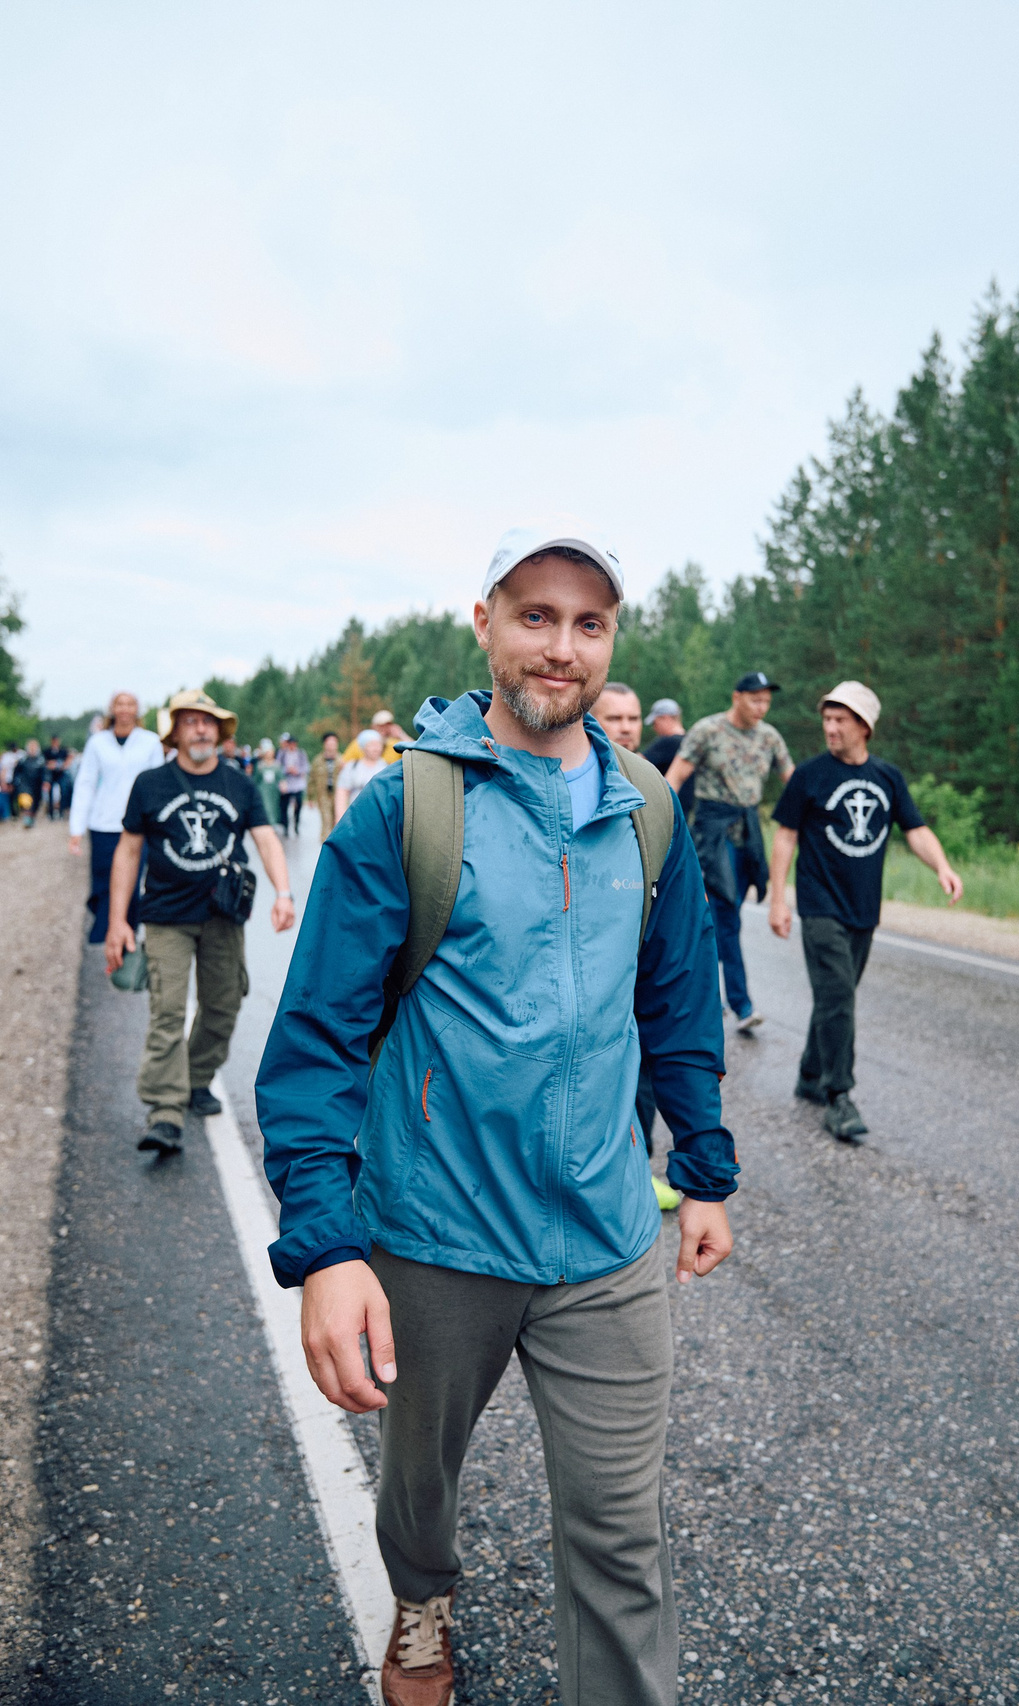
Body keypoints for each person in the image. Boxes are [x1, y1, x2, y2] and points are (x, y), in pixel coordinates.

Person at [257, 522, 736, 1706]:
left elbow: (676, 1003)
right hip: (433, 1230)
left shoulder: (645, 810)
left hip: (605, 1235)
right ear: (484, 622)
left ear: (610, 640)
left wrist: (708, 1169)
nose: (560, 646)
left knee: (623, 1539)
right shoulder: (404, 807)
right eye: (535, 614)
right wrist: (325, 1245)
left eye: (588, 622)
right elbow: (314, 1039)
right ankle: (420, 1603)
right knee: (417, 1485)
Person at [103, 689, 299, 1155]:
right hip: (166, 917)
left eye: (208, 721)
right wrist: (117, 921)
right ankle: (165, 1112)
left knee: (223, 1006)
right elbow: (128, 851)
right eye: (190, 721)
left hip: (223, 916)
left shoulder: (239, 784)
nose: (201, 729)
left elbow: (267, 839)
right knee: (168, 1012)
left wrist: (284, 893)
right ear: (175, 733)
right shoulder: (150, 784)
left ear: (220, 731)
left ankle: (194, 1079)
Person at [767, 681, 963, 1143]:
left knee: (837, 997)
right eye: (827, 719)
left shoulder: (887, 777)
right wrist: (779, 898)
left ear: (865, 727)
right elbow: (785, 836)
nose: (830, 728)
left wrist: (943, 867)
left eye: (841, 720)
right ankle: (840, 1096)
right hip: (819, 906)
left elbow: (915, 830)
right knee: (839, 997)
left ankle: (810, 1074)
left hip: (863, 908)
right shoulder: (810, 775)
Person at [664, 672, 793, 1036]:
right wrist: (663, 827)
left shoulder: (769, 737)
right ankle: (742, 1005)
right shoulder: (707, 731)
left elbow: (793, 781)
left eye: (766, 700)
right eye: (755, 699)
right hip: (711, 835)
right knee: (727, 918)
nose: (761, 707)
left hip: (747, 834)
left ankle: (705, 990)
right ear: (737, 697)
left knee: (724, 917)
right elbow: (673, 780)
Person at [595, 682, 683, 1213]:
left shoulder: (651, 789)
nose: (627, 726)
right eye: (615, 717)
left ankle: (640, 1168)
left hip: (639, 959)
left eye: (632, 717)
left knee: (646, 1066)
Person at [68, 691, 167, 945]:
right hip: (104, 823)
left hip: (139, 824)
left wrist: (160, 824)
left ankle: (128, 933)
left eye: (130, 704)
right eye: (119, 704)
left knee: (132, 883)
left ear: (137, 709)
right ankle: (105, 936)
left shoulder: (150, 742)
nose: (124, 709)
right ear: (112, 709)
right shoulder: (97, 743)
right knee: (102, 882)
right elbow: (86, 783)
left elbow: (159, 785)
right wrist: (76, 829)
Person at [335, 727, 388, 819]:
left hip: (380, 818)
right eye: (371, 745)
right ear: (363, 747)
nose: (376, 748)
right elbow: (342, 793)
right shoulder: (352, 767)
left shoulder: (386, 768)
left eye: (378, 744)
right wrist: (340, 818)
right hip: (356, 816)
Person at [309, 731, 344, 840]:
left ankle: (337, 846)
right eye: (329, 743)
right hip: (323, 795)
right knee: (326, 821)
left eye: (334, 743)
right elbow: (312, 780)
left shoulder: (342, 760)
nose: (332, 746)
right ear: (324, 744)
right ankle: (326, 845)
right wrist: (310, 797)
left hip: (338, 795)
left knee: (338, 821)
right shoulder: (317, 761)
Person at [277, 732, 310, 835]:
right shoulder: (282, 754)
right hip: (286, 783)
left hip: (298, 784)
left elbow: (306, 767)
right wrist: (287, 770)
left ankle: (296, 824)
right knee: (284, 806)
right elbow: (277, 767)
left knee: (298, 805)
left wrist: (298, 771)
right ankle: (286, 826)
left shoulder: (301, 753)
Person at [14, 737, 48, 828]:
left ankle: (32, 818)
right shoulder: (23, 760)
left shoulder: (41, 760)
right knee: (26, 801)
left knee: (35, 803)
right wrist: (15, 782)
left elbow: (45, 773)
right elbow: (16, 772)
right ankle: (27, 818)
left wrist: (46, 781)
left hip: (37, 785)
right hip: (25, 784)